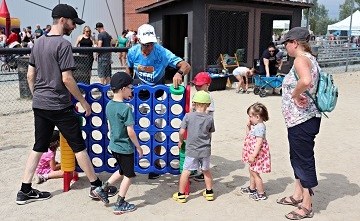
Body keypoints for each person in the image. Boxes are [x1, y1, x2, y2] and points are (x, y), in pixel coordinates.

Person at [16, 3, 117, 205]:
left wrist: (38, 96)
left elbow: (30, 75)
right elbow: (67, 79)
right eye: (72, 23)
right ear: (62, 20)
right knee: (78, 146)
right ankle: (96, 186)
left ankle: (24, 190)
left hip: (41, 104)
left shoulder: (37, 43)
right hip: (60, 105)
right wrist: (83, 102)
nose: (74, 27)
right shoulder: (62, 45)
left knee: (38, 146)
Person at [126, 23, 191, 179]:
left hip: (158, 96)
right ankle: (130, 162)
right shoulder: (132, 52)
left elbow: (186, 65)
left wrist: (179, 73)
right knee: (132, 130)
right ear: (138, 40)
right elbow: (128, 70)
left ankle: (155, 164)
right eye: (145, 44)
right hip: (138, 95)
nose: (148, 48)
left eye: (151, 44)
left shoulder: (161, 52)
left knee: (157, 132)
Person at [277, 27, 321, 220]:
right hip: (303, 119)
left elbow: (305, 80)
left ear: (295, 43)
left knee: (303, 160)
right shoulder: (312, 59)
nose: (285, 47)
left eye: (286, 43)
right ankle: (297, 195)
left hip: (302, 119)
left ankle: (306, 204)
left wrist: (295, 94)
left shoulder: (301, 59)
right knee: (297, 157)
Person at [92, 72, 143, 214]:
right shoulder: (126, 108)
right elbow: (130, 132)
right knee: (129, 175)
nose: (132, 90)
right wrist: (138, 147)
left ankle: (101, 189)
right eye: (130, 87)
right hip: (125, 148)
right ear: (122, 89)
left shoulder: (109, 105)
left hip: (114, 146)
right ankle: (120, 203)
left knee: (121, 171)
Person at [173, 90, 215, 203]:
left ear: (194, 103)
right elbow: (210, 133)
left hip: (192, 150)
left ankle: (181, 194)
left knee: (186, 171)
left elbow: (181, 131)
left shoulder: (188, 116)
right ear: (208, 105)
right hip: (205, 150)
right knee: (206, 171)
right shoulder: (209, 118)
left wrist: (180, 141)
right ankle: (209, 192)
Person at [240, 102, 271, 201]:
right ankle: (252, 188)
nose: (249, 118)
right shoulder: (256, 125)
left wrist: (253, 155)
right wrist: (248, 126)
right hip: (254, 153)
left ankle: (261, 193)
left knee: (255, 172)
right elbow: (248, 135)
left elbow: (259, 143)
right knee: (252, 170)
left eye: (250, 116)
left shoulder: (260, 127)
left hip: (257, 154)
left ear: (257, 117)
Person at [189, 72, 215, 182]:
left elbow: (208, 111)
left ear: (207, 85)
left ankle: (202, 171)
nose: (197, 87)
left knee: (203, 149)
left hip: (205, 128)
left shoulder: (208, 97)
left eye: (200, 85)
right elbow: (192, 108)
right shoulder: (196, 95)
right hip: (195, 125)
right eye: (196, 84)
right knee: (193, 146)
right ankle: (195, 168)